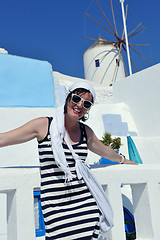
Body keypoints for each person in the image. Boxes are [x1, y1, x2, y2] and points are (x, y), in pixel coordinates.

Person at [0, 81, 137, 239]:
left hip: (86, 208)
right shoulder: (44, 125)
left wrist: (124, 160)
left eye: (86, 103)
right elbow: (5, 138)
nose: (79, 105)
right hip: (55, 210)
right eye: (76, 98)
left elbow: (105, 151)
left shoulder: (86, 132)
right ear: (67, 98)